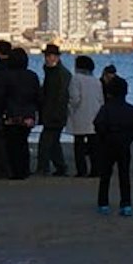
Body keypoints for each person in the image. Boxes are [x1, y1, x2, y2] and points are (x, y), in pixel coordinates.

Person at [0, 39, 40, 181]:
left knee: (11, 143)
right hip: (28, 114)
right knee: (22, 141)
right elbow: (38, 95)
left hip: (10, 113)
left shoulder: (5, 75)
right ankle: (24, 169)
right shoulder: (32, 76)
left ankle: (14, 171)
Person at [92, 68, 133, 214]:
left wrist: (103, 137)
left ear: (109, 92)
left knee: (105, 175)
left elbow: (97, 124)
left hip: (108, 144)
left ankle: (103, 204)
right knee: (124, 175)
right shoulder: (131, 109)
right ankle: (126, 204)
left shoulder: (106, 109)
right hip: (124, 144)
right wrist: (130, 138)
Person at [65, 54, 105, 195]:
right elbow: (101, 100)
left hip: (80, 114)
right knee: (94, 145)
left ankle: (81, 170)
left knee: (79, 145)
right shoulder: (96, 81)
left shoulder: (76, 79)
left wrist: (69, 107)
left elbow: (74, 98)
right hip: (94, 115)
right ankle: (96, 169)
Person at [36, 43, 74, 177]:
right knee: (53, 142)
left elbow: (61, 96)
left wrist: (56, 113)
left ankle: (44, 167)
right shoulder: (54, 71)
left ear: (57, 57)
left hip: (55, 113)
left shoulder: (60, 74)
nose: (48, 58)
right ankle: (60, 167)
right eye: (47, 56)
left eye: (51, 56)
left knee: (46, 142)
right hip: (52, 113)